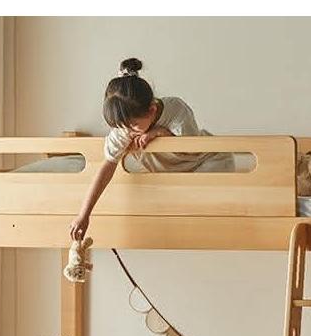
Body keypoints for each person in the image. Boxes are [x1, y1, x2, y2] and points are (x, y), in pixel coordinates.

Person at [70, 58, 232, 242]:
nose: (128, 131)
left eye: (133, 125)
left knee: (215, 182)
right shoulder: (125, 128)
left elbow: (191, 151)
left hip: (200, 161)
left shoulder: (176, 110)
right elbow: (107, 166)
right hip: (169, 174)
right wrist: (84, 215)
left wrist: (161, 133)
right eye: (122, 127)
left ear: (152, 110)